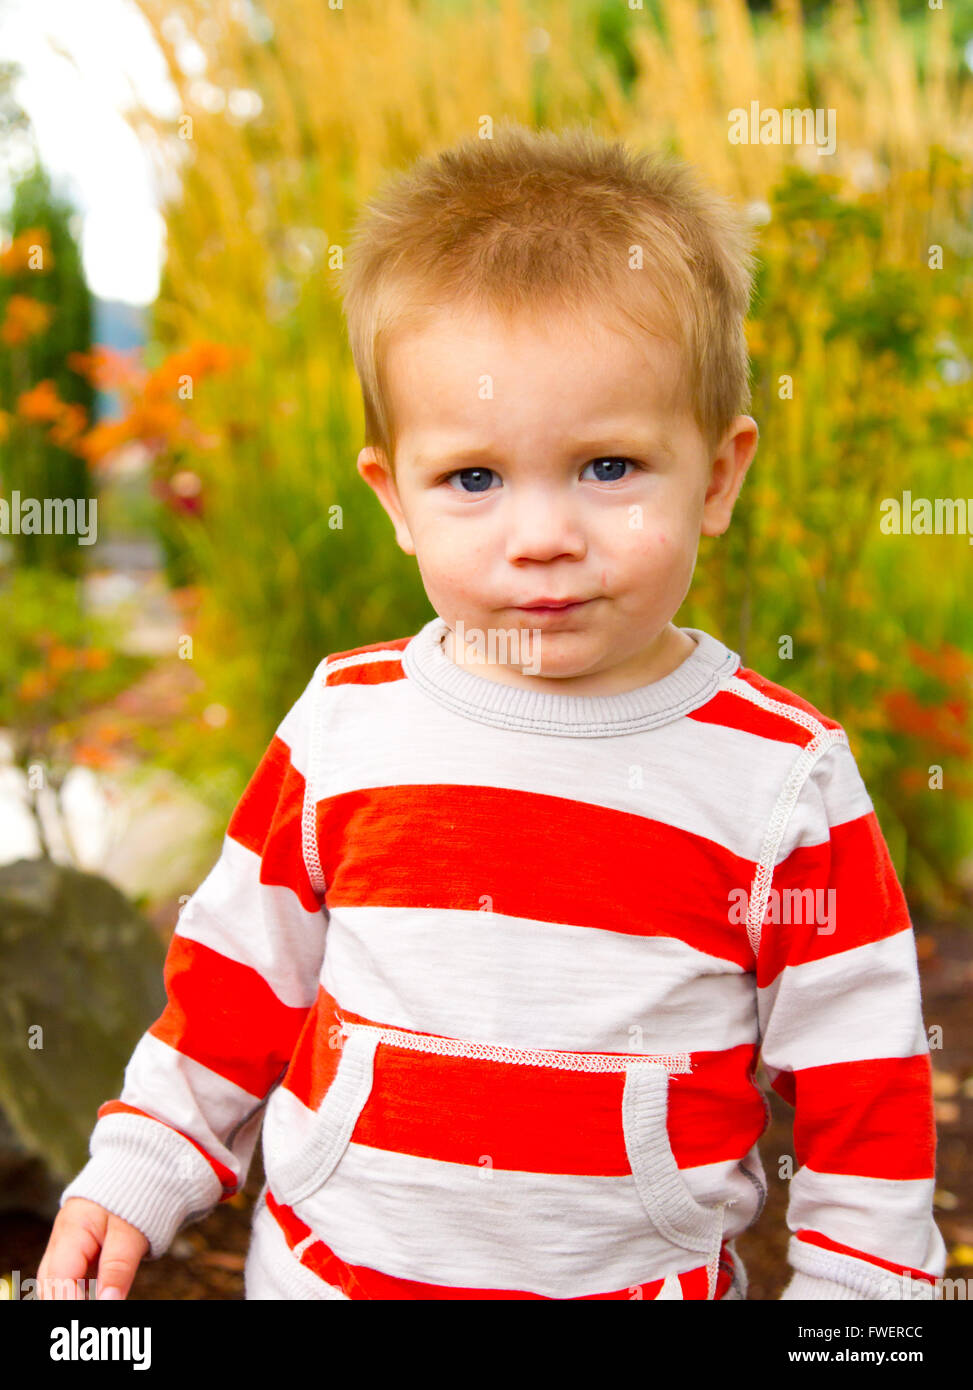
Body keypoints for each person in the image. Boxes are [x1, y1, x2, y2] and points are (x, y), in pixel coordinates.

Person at [38, 120, 946, 1301]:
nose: (542, 536)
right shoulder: (345, 728)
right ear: (395, 496)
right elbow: (231, 988)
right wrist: (139, 1167)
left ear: (717, 475)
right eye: (473, 478)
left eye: (609, 467)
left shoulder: (777, 776)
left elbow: (862, 1090)